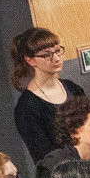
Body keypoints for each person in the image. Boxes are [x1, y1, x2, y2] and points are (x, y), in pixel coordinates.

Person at [9, 26, 76, 168]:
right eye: (46, 55)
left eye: (57, 51)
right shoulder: (26, 107)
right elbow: (44, 157)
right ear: (30, 60)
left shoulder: (72, 88)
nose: (56, 58)